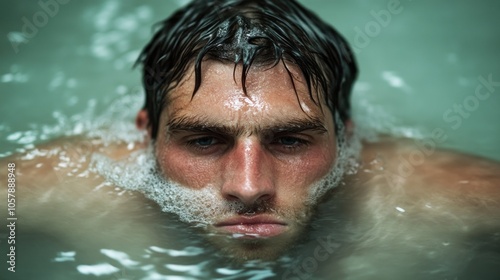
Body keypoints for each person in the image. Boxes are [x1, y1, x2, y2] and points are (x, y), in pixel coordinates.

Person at [1, 0, 499, 278]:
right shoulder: (52, 187)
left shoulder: (457, 202)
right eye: (203, 141)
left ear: (346, 137)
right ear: (146, 135)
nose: (247, 186)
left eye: (290, 141)